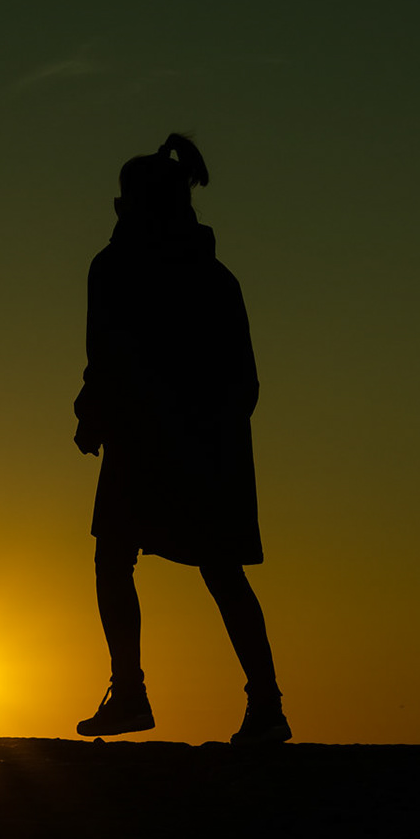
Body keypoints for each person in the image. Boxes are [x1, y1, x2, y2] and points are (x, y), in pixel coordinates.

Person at [72, 132, 290, 744]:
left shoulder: (114, 267)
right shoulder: (217, 278)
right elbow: (244, 382)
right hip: (209, 448)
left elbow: (106, 357)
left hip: (149, 443)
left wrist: (97, 415)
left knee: (116, 558)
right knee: (220, 571)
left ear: (131, 204)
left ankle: (132, 693)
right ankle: (267, 704)